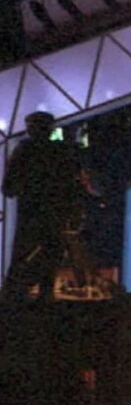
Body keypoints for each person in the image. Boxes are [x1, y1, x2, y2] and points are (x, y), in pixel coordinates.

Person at [1, 111, 88, 301]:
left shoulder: (24, 151)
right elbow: (73, 184)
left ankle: (16, 294)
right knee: (51, 253)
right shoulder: (61, 152)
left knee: (25, 253)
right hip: (54, 213)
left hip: (30, 214)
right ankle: (44, 295)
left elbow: (8, 188)